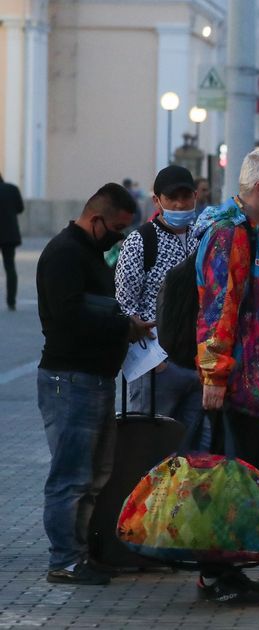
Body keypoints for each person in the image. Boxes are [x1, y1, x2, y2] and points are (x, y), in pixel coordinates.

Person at [192, 148, 259, 605]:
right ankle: (217, 574)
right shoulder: (229, 235)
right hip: (239, 384)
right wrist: (214, 374)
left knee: (249, 478)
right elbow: (219, 308)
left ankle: (234, 567)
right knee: (228, 480)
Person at [36, 183, 155, 585]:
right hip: (70, 380)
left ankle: (80, 554)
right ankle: (64, 560)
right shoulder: (64, 255)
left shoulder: (90, 252)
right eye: (118, 229)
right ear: (96, 219)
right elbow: (69, 317)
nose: (120, 237)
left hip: (95, 379)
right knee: (71, 476)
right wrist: (123, 325)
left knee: (94, 475)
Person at [114, 165, 208, 451]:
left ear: (196, 196)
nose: (180, 204)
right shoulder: (141, 241)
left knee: (195, 452)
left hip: (197, 366)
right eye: (171, 198)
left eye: (185, 196)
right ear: (157, 201)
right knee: (147, 452)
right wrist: (153, 362)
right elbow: (124, 306)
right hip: (155, 369)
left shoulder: (204, 238)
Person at [0, 173, 25, 311]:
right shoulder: (12, 189)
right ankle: (11, 301)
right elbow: (20, 208)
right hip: (9, 234)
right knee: (10, 267)